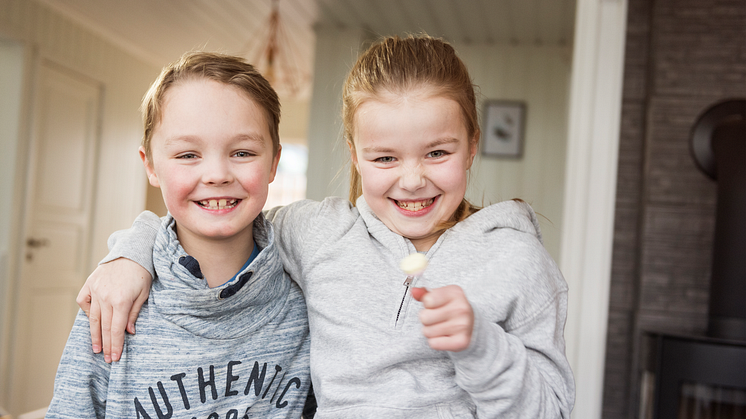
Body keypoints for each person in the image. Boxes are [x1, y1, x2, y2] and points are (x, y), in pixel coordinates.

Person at [79, 35, 575, 417]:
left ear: (472, 144)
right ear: (355, 154)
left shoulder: (517, 259)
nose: (412, 179)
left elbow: (551, 409)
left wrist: (483, 346)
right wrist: (129, 253)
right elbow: (221, 212)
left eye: (438, 152)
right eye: (384, 157)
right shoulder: (319, 234)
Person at [47, 52, 311, 418]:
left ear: (274, 163)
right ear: (151, 166)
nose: (217, 174)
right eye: (188, 154)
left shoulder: (309, 296)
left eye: (242, 152)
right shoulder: (113, 301)